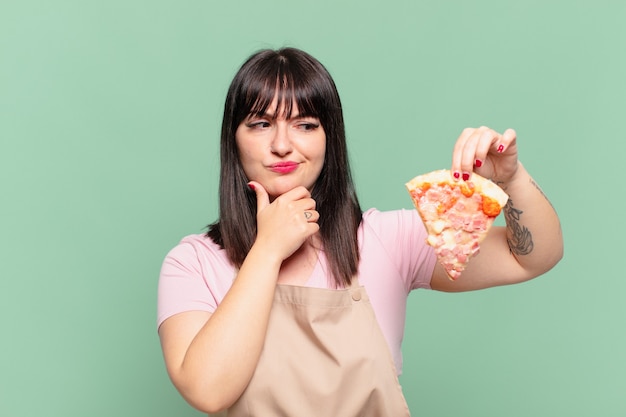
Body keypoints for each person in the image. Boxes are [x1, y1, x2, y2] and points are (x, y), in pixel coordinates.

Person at [157, 47, 563, 416]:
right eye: (261, 124)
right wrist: (267, 250)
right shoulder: (193, 263)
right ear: (234, 139)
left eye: (305, 124)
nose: (282, 144)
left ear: (330, 139)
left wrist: (511, 179)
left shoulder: (386, 240)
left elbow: (530, 258)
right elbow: (207, 391)